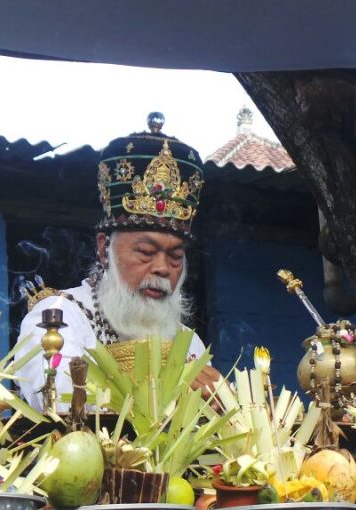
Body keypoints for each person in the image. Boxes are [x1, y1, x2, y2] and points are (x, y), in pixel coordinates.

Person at [16, 112, 222, 411]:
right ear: (104, 249)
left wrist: (221, 403)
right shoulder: (59, 316)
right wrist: (170, 392)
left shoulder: (185, 341)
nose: (162, 268)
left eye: (176, 256)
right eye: (146, 252)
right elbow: (58, 400)